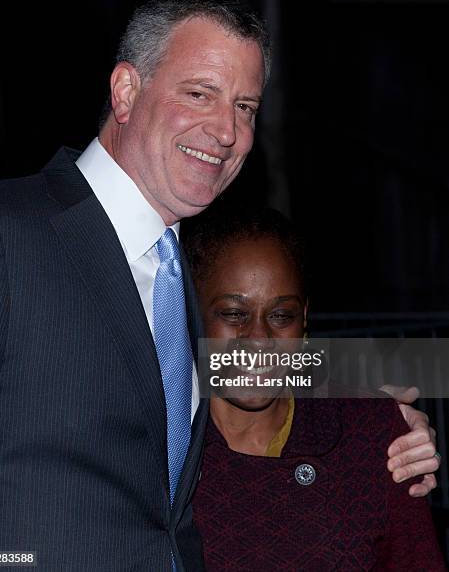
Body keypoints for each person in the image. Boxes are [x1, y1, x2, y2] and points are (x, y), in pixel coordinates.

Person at [0, 0, 439, 572]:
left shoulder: (182, 270)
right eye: (200, 94)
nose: (226, 130)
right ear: (125, 91)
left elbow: (221, 362)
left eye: (245, 106)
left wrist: (378, 419)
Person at [183, 205, 445, 570]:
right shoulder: (158, 448)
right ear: (190, 312)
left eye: (280, 316)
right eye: (233, 314)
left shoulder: (369, 433)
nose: (259, 339)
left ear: (303, 320)